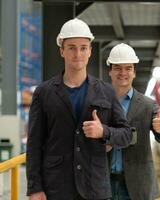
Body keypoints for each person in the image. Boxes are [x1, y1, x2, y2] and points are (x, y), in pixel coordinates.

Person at [26, 18, 132, 200]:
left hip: (94, 188)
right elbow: (34, 144)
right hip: (56, 189)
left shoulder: (106, 91)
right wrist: (35, 187)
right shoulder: (44, 93)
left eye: (83, 48)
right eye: (72, 48)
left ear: (90, 51)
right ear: (62, 51)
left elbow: (126, 134)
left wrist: (104, 132)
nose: (78, 54)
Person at [106, 43, 160, 200]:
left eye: (128, 68)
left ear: (134, 73)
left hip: (137, 185)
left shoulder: (147, 105)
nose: (123, 73)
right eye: (117, 68)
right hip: (104, 182)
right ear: (110, 71)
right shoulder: (99, 102)